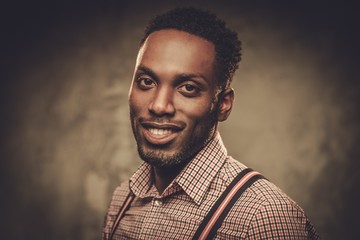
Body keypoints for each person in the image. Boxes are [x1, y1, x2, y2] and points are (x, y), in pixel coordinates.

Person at [102, 7, 319, 239]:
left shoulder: (265, 216)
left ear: (223, 104)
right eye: (147, 81)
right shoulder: (122, 200)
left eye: (188, 88)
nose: (159, 105)